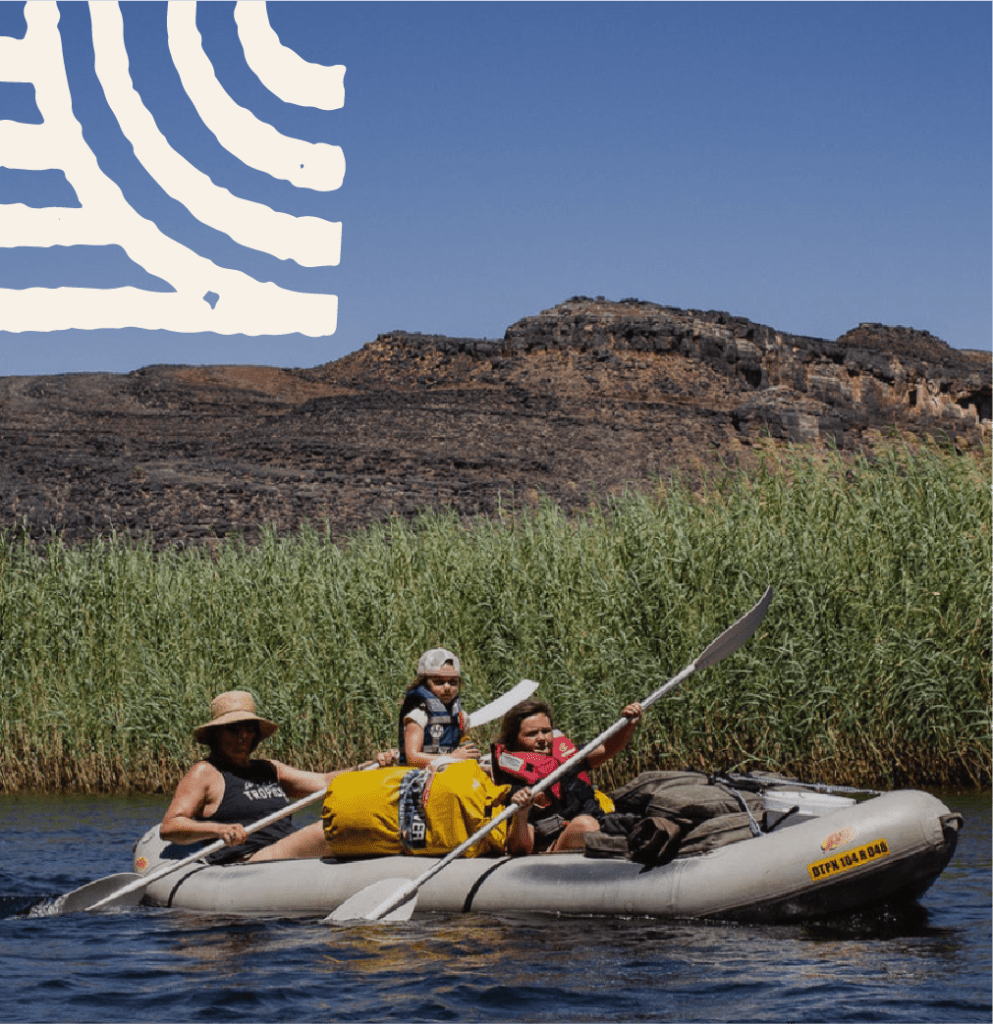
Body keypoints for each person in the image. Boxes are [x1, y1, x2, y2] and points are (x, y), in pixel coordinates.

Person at [160, 690, 398, 863]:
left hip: (284, 855)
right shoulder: (204, 773)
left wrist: (373, 765)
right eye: (233, 729)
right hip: (247, 860)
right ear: (216, 735)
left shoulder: (269, 769)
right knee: (328, 829)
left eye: (248, 727)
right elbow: (170, 827)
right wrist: (219, 830)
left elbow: (326, 782)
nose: (243, 735)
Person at [493, 697, 642, 854]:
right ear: (515, 740)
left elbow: (607, 749)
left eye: (545, 731)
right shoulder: (513, 784)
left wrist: (628, 724)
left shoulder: (566, 758)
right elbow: (521, 849)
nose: (542, 739)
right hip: (554, 849)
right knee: (584, 825)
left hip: (596, 823)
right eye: (531, 734)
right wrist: (521, 814)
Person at [397, 648, 480, 767]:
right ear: (424, 684)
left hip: (449, 771)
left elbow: (462, 748)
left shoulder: (461, 716)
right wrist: (452, 758)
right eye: (439, 682)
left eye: (452, 682)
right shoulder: (418, 715)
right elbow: (413, 758)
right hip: (421, 774)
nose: (447, 687)